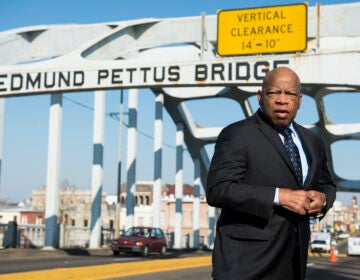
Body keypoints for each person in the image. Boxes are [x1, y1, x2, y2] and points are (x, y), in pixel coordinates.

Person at [206, 67, 336, 280]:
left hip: (294, 263)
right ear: (260, 96)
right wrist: (279, 197)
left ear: (300, 100)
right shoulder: (238, 134)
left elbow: (326, 184)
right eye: (274, 92)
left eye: (290, 94)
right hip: (245, 266)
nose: (282, 100)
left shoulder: (312, 141)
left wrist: (322, 200)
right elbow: (218, 190)